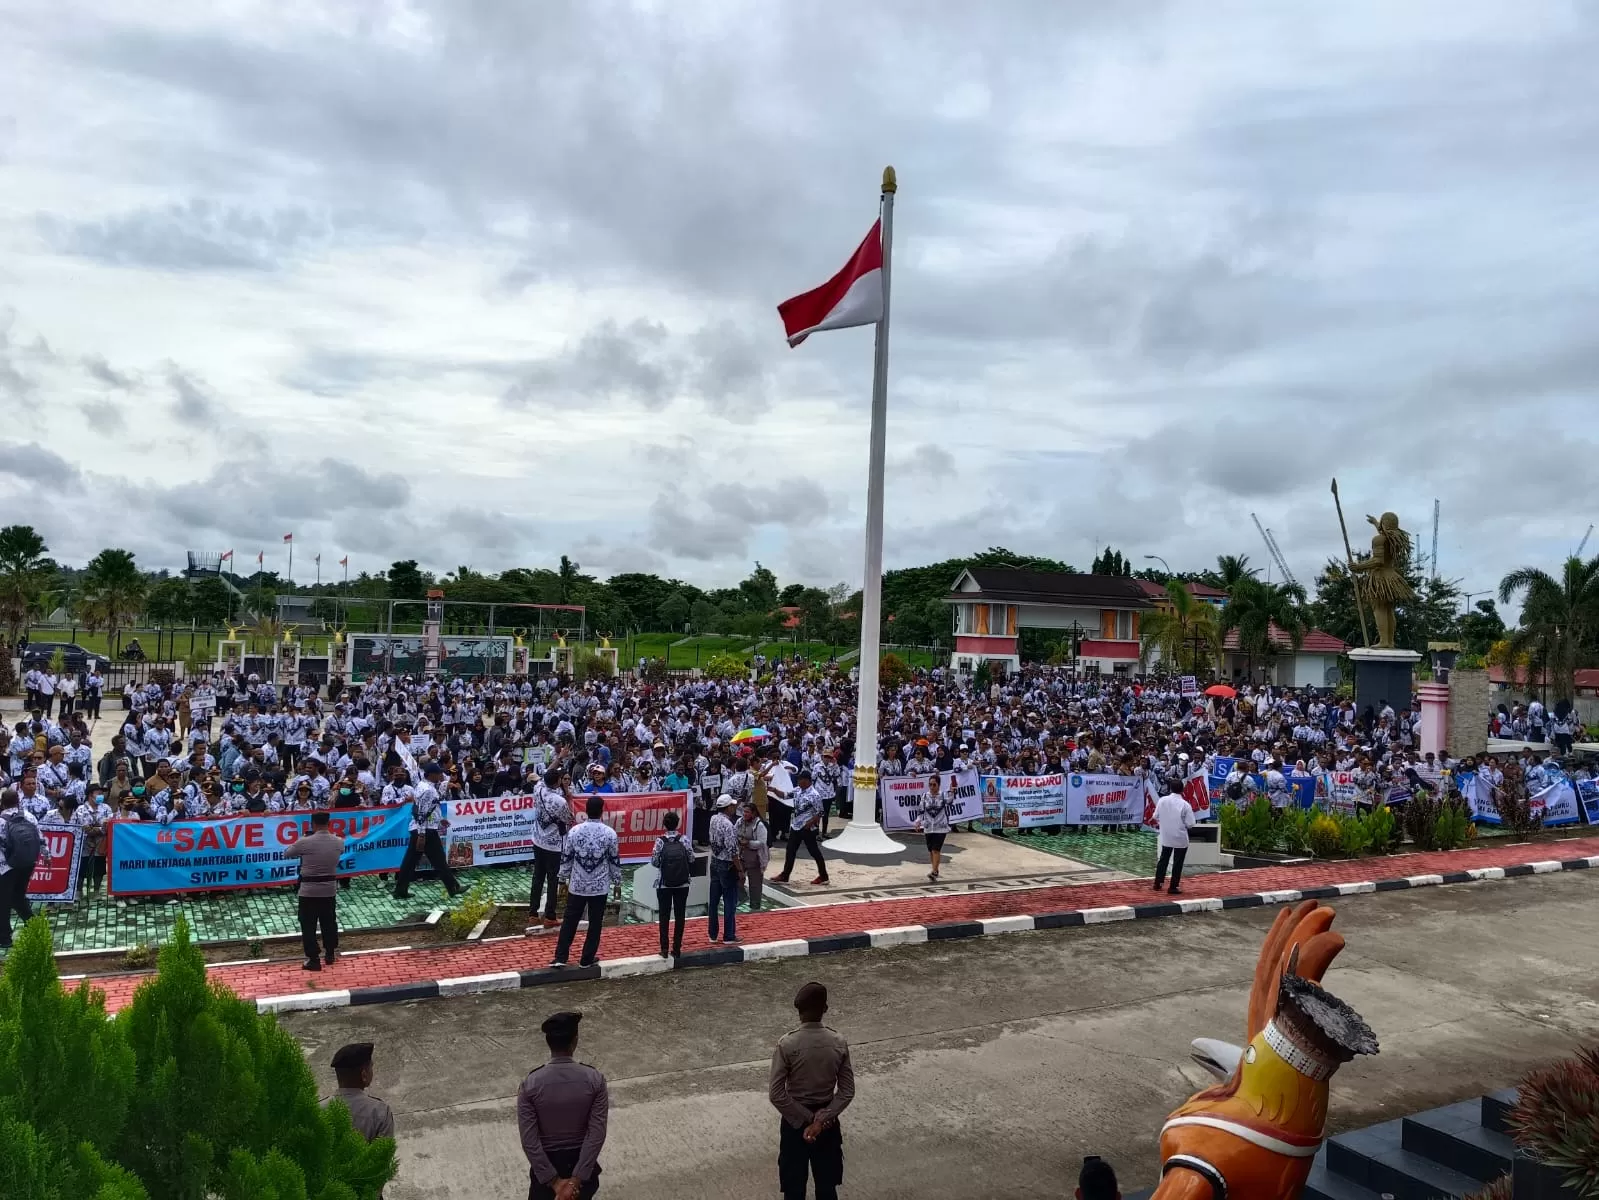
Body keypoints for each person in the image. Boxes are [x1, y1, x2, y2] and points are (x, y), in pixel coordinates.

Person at [769, 981, 854, 1200]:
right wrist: (821, 1119)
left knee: (793, 1189)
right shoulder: (838, 1042)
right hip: (827, 1124)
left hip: (794, 1122)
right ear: (825, 1009)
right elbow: (846, 1090)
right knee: (827, 1188)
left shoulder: (787, 1044)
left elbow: (777, 1094)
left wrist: (807, 1118)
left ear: (799, 1011)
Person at [517, 1010, 609, 1200]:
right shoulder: (595, 1080)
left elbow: (530, 1141)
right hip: (581, 1166)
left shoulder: (530, 1084)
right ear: (575, 1041)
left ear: (548, 1043)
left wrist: (555, 1182)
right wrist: (576, 1180)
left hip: (547, 1168)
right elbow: (596, 1134)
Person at [552, 794, 622, 969]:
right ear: (602, 811)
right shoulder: (610, 834)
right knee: (595, 922)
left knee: (570, 920)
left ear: (586, 810)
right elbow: (614, 860)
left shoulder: (574, 831)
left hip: (578, 884)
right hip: (599, 886)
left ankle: (560, 957)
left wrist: (562, 880)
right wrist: (618, 883)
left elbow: (566, 857)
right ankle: (586, 959)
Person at [393, 761, 464, 900]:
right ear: (432, 774)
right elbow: (421, 814)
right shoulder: (428, 790)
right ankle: (453, 887)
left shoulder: (421, 785)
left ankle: (400, 890)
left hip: (423, 828)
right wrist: (421, 834)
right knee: (438, 860)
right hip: (426, 830)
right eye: (438, 774)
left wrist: (439, 819)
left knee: (411, 862)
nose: (440, 776)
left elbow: (424, 809)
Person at [284, 809, 344, 970]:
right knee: (329, 922)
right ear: (329, 823)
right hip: (329, 889)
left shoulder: (305, 842)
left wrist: (303, 839)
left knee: (308, 925)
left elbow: (287, 853)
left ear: (313, 824)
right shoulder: (339, 842)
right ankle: (330, 953)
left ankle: (313, 958)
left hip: (308, 890)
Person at [325, 1042, 396, 1142]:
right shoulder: (380, 1111)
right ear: (364, 1075)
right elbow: (384, 1154)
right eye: (371, 1067)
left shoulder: (319, 1108)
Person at [771, 767, 829, 887]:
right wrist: (774, 790)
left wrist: (811, 822)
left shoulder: (815, 795)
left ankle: (823, 876)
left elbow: (821, 812)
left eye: (800, 780)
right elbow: (785, 795)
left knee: (814, 852)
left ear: (807, 781)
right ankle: (785, 875)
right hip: (796, 826)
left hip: (808, 828)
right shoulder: (797, 790)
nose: (798, 782)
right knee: (790, 850)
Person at [530, 766, 574, 923]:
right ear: (558, 782)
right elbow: (569, 819)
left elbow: (546, 773)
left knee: (537, 877)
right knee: (552, 879)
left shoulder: (538, 788)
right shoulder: (560, 801)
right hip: (553, 845)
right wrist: (569, 796)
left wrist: (559, 758)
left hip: (537, 840)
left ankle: (533, 914)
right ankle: (550, 916)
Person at [0, 788, 42, 949]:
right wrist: (46, 856)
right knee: (18, 896)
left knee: (3, 901)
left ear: (2, 803)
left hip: (6, 866)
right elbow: (40, 838)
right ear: (18, 801)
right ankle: (33, 926)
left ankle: (4, 938)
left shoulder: (1, 820)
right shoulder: (29, 816)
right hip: (28, 862)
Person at [650, 808, 692, 958]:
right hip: (682, 883)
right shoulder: (684, 839)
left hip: (664, 884)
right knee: (680, 916)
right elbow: (691, 858)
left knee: (664, 915)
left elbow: (654, 861)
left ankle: (664, 949)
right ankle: (677, 948)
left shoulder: (660, 841)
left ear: (664, 825)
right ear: (677, 824)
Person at [706, 793, 740, 944]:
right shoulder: (728, 825)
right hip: (727, 864)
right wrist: (740, 869)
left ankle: (712, 934)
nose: (734, 807)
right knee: (730, 901)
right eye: (732, 805)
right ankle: (729, 935)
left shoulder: (713, 819)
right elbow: (733, 850)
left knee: (713, 901)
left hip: (714, 862)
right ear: (728, 808)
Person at [1151, 786, 1196, 896]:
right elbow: (1190, 824)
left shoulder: (1162, 800)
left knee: (1163, 859)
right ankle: (1173, 886)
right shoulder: (1185, 804)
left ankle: (1158, 883)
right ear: (1182, 790)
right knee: (1177, 862)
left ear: (1170, 789)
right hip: (1180, 837)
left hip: (1166, 835)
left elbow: (1155, 816)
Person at [736, 796, 770, 911]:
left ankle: (755, 907)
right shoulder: (739, 822)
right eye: (743, 811)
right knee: (736, 877)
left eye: (747, 812)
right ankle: (742, 896)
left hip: (755, 858)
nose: (744, 814)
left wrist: (748, 843)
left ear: (754, 813)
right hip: (741, 856)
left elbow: (761, 843)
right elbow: (734, 833)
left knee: (755, 885)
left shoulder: (760, 825)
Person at [916, 772, 952, 882]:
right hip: (928, 826)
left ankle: (935, 871)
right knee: (931, 850)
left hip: (940, 826)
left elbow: (950, 801)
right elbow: (921, 810)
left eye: (934, 785)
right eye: (930, 784)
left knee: (936, 849)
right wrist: (918, 821)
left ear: (939, 785)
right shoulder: (925, 796)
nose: (932, 787)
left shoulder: (943, 795)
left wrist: (952, 791)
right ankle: (934, 869)